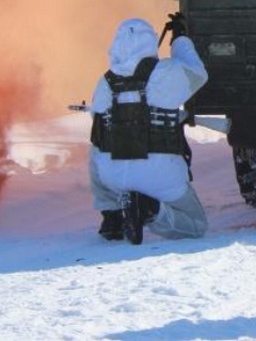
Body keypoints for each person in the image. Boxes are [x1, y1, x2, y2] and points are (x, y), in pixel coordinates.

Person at [89, 14, 209, 245]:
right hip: (161, 178)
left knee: (97, 140)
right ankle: (149, 209)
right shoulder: (166, 73)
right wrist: (179, 40)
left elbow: (99, 126)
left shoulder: (104, 83)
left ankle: (112, 215)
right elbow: (198, 74)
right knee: (196, 226)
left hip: (114, 181)